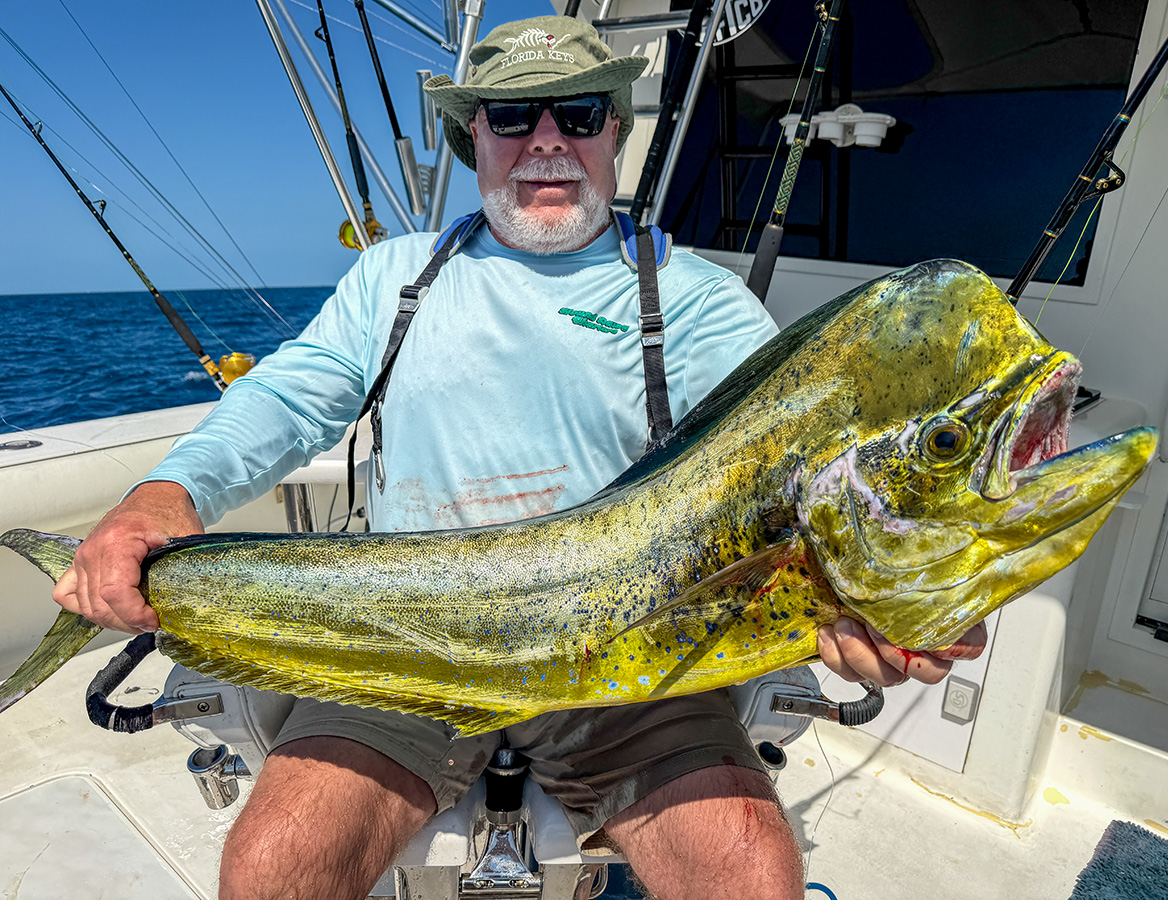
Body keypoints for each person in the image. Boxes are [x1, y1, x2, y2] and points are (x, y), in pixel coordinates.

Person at [51, 15, 986, 900]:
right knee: (271, 867)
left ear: (613, 131)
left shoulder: (697, 300)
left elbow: (810, 467)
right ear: (476, 140)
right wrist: (165, 495)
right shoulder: (395, 278)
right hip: (406, 647)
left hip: (634, 657)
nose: (547, 139)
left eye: (578, 113)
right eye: (513, 115)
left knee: (751, 872)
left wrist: (886, 598)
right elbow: (288, 397)